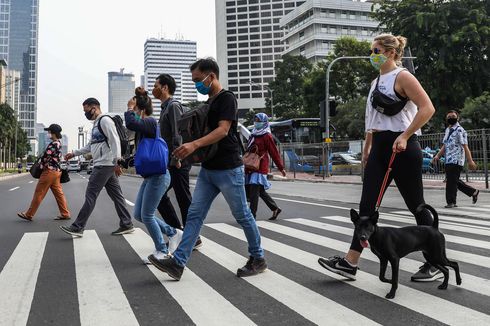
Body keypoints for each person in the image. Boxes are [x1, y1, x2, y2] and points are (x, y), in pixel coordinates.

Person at [317, 34, 440, 282]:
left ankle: (434, 260)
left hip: (403, 147)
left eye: (375, 51)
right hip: (380, 148)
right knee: (366, 207)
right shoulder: (375, 82)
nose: (372, 55)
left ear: (391, 52)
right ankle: (350, 262)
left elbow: (428, 108)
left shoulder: (403, 76)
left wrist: (405, 135)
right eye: (371, 51)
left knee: (416, 205)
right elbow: (372, 122)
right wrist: (367, 148)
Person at [149, 58, 266, 281]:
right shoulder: (208, 101)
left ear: (210, 77)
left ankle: (258, 258)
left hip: (229, 168)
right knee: (194, 215)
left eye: (198, 80)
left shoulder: (226, 99)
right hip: (209, 169)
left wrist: (194, 144)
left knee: (242, 214)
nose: (196, 84)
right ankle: (178, 263)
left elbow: (223, 130)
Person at [59, 98, 134, 237]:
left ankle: (78, 226)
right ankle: (127, 223)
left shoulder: (105, 120)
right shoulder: (96, 124)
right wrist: (74, 153)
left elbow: (115, 140)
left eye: (86, 110)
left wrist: (118, 161)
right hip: (105, 164)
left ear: (94, 107)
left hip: (103, 165)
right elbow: (90, 146)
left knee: (90, 195)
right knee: (117, 196)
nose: (85, 113)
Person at [125, 87, 183, 263]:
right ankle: (173, 233)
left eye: (135, 110)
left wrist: (129, 108)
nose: (133, 113)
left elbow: (131, 123)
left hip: (159, 176)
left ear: (140, 109)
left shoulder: (150, 122)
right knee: (139, 215)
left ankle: (162, 250)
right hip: (152, 177)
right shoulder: (145, 129)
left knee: (148, 215)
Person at [153, 73, 200, 248]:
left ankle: (192, 237)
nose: (154, 88)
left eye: (156, 85)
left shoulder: (173, 106)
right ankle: (178, 232)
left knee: (183, 199)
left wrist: (177, 158)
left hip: (178, 160)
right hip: (171, 160)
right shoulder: (165, 107)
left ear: (165, 87)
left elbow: (177, 134)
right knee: (161, 196)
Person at [17, 124, 70, 221]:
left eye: (49, 132)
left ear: (53, 133)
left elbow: (46, 158)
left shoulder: (54, 144)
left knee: (39, 192)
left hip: (49, 172)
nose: (48, 134)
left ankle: (29, 214)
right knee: (59, 194)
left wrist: (40, 166)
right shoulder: (58, 143)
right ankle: (65, 213)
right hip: (56, 172)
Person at [432, 110, 479, 208]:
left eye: (453, 116)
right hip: (448, 159)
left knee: (451, 181)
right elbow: (445, 145)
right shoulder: (448, 130)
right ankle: (473, 192)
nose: (451, 118)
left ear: (458, 118)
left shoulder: (459, 130)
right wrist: (437, 156)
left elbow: (465, 146)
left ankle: (451, 202)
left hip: (456, 159)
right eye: (449, 117)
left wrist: (470, 160)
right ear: (446, 119)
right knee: (453, 180)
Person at [245, 113, 286, 220]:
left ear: (264, 122)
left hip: (260, 166)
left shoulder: (267, 135)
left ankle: (251, 216)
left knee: (254, 191)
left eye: (259, 121)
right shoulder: (253, 134)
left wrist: (281, 168)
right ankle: (275, 208)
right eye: (255, 120)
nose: (256, 122)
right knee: (260, 191)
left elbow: (274, 152)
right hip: (251, 166)